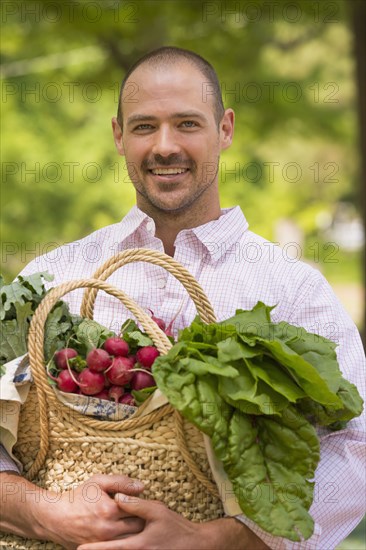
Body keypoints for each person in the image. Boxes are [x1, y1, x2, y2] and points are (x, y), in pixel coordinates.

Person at [0, 46, 365, 550]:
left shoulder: (292, 290)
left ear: (226, 129)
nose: (165, 146)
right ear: (118, 135)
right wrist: (43, 514)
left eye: (188, 124)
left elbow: (356, 445)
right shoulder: (55, 277)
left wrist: (218, 540)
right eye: (145, 126)